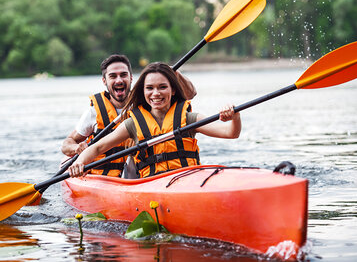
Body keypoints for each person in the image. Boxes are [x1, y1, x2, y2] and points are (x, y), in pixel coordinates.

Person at [68, 62, 241, 179]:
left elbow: (231, 133)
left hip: (188, 180)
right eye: (149, 88)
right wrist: (79, 163)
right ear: (143, 92)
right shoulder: (133, 124)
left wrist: (235, 117)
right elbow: (98, 147)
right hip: (151, 185)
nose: (156, 93)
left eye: (162, 87)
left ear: (173, 90)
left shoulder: (188, 119)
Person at [61, 55, 197, 177]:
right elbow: (66, 144)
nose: (119, 80)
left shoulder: (148, 102)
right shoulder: (93, 112)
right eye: (113, 76)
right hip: (104, 176)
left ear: (131, 78)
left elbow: (190, 94)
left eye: (123, 75)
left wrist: (174, 73)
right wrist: (76, 148)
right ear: (104, 81)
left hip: (137, 172)